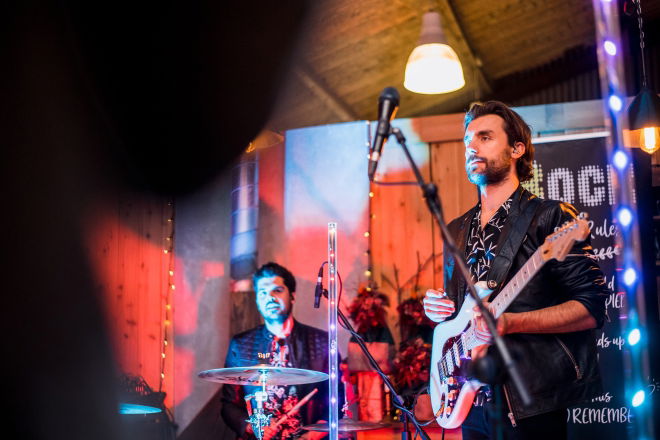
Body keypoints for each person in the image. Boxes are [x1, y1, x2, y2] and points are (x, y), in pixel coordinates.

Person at [423, 101, 608, 440]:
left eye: (485, 137)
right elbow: (460, 316)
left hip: (529, 403)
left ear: (516, 149)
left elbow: (591, 307)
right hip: (470, 400)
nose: (472, 147)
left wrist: (510, 322)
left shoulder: (551, 217)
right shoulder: (456, 229)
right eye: (468, 140)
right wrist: (439, 309)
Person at [221, 262, 338, 440]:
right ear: (257, 301)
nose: (270, 297)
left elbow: (337, 398)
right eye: (263, 293)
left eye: (277, 290)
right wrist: (252, 426)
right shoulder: (241, 344)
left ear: (292, 296)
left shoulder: (321, 341)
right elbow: (229, 405)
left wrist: (314, 434)